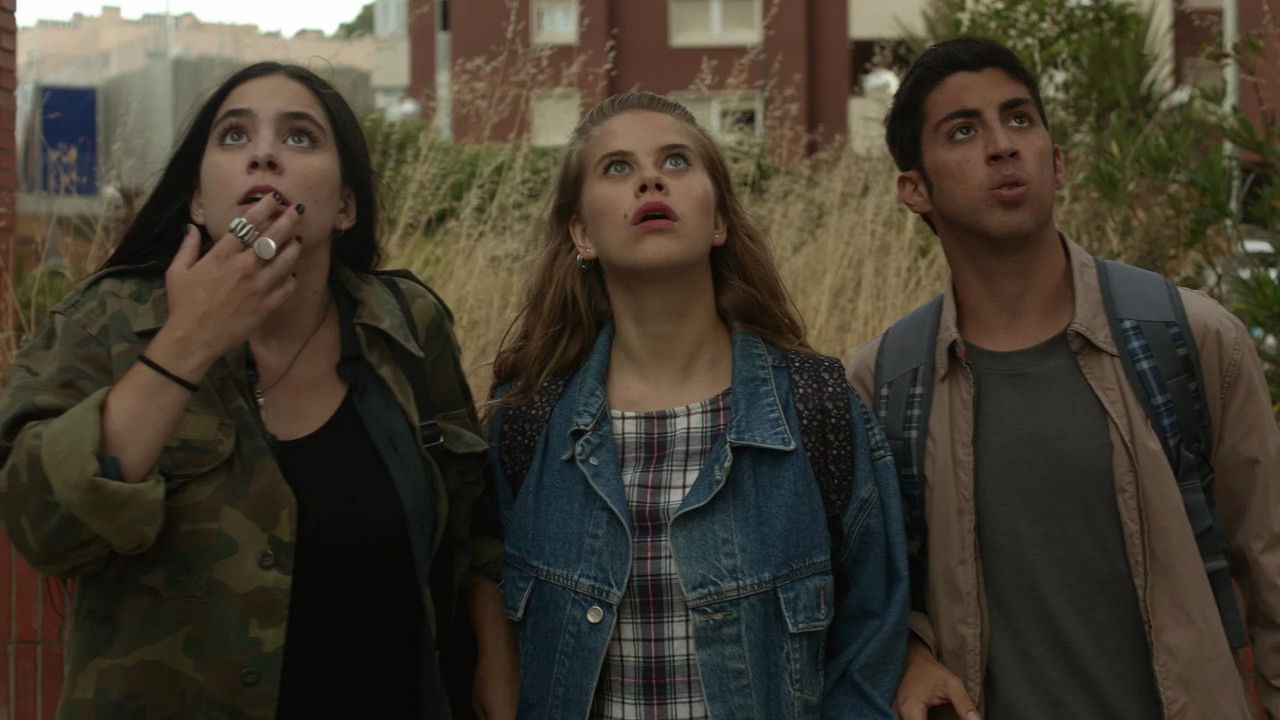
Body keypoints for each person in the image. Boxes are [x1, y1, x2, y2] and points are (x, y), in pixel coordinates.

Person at [0, 62, 517, 719]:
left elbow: (471, 519)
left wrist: (496, 660)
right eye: (234, 136)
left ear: (345, 206)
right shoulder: (104, 320)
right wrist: (187, 342)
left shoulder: (408, 326)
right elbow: (43, 529)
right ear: (197, 200)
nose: (264, 155)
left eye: (300, 137)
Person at [847, 37, 1280, 720]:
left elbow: (1270, 563)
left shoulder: (1190, 339)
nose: (1002, 146)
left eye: (1019, 119)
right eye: (963, 131)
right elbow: (863, 598)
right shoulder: (884, 384)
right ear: (915, 188)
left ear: (1058, 161)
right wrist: (909, 654)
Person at [485, 91, 908, 720]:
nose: (651, 179)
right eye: (617, 167)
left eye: (677, 161)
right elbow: (484, 600)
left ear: (718, 223)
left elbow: (874, 631)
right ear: (582, 234)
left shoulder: (815, 405)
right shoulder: (527, 418)